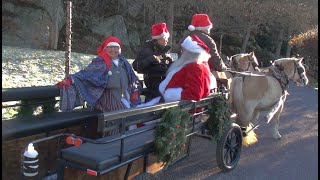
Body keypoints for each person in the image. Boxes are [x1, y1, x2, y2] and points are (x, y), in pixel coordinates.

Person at [57, 36, 141, 113]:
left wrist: (135, 91)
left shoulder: (124, 62)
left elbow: (133, 78)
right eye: (110, 47)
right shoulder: (100, 61)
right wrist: (70, 79)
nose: (113, 50)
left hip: (125, 96)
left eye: (116, 47)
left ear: (120, 49)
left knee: (135, 112)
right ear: (105, 48)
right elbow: (86, 74)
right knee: (122, 115)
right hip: (107, 98)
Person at [132, 22, 173, 101]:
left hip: (164, 88)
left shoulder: (165, 51)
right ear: (159, 38)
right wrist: (151, 59)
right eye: (165, 37)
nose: (167, 40)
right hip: (153, 91)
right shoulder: (147, 50)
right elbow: (136, 66)